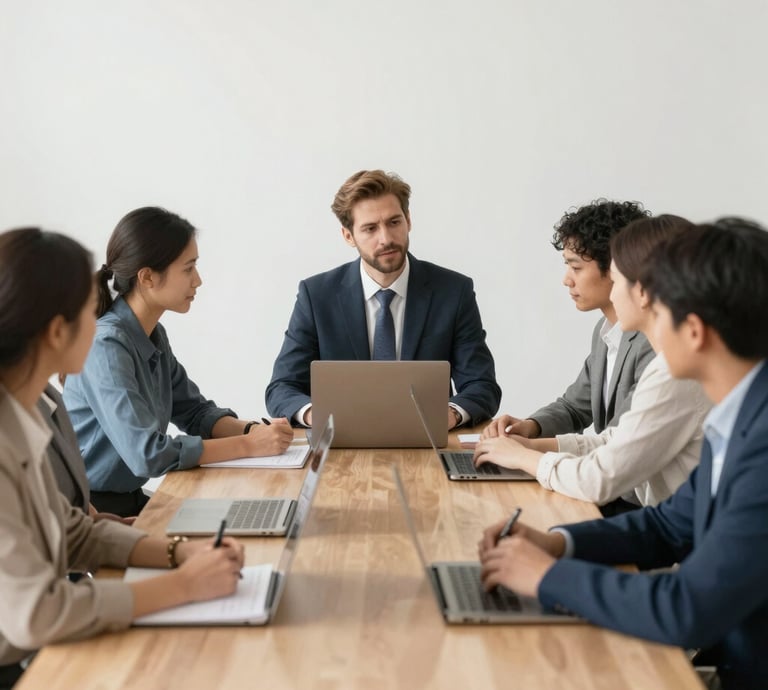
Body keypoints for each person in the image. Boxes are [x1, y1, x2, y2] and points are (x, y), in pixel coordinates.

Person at [478, 219, 768, 690]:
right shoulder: (738, 413)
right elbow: (670, 524)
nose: (648, 330)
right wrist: (560, 544)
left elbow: (686, 608)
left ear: (692, 331)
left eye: (660, 312)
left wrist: (549, 578)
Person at [0, 227, 244, 690]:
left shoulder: (41, 404)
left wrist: (178, 552)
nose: (103, 320)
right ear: (57, 331)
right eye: (90, 311)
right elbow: (37, 614)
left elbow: (72, 529)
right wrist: (185, 585)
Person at [63, 207, 293, 516]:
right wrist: (250, 446)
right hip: (90, 511)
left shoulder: (152, 334)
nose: (198, 280)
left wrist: (253, 431)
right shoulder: (105, 345)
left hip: (128, 499)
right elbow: (149, 454)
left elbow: (195, 412)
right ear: (147, 277)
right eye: (188, 268)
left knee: (235, 519)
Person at [474, 215, 711, 511]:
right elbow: (614, 435)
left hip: (652, 517)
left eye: (618, 278)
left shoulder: (674, 370)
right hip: (660, 518)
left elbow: (603, 472)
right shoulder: (615, 337)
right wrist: (531, 441)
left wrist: (524, 458)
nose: (613, 290)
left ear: (643, 290)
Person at [265, 169, 501, 429]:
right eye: (370, 228)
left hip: (427, 443)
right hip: (342, 445)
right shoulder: (317, 296)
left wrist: (450, 414)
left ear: (408, 220)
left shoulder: (453, 292)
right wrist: (315, 415)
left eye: (394, 222)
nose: (386, 238)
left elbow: (482, 385)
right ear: (348, 236)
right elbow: (282, 387)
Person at [484, 200, 654, 440]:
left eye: (576, 268)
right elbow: (574, 407)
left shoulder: (651, 341)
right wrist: (531, 426)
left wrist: (529, 451)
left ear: (619, 266)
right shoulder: (604, 332)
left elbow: (619, 441)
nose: (567, 280)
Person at [39, 382, 135, 524]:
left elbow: (79, 520)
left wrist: (98, 522)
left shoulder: (49, 397)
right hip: (100, 502)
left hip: (85, 517)